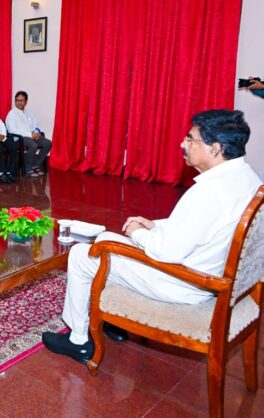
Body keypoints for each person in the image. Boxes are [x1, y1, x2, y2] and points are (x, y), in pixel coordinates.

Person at [42, 109, 263, 364]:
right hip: (207, 269)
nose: (183, 144)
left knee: (83, 254)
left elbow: (165, 252)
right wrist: (154, 225)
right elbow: (201, 227)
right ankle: (111, 320)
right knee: (104, 240)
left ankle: (78, 340)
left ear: (215, 148)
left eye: (190, 139)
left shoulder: (210, 192)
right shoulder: (247, 179)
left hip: (183, 281)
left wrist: (138, 232)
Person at [5, 91, 52, 177]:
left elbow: (36, 124)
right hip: (19, 138)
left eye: (21, 100)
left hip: (32, 136)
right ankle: (27, 169)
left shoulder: (29, 112)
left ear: (26, 102)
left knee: (48, 143)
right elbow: (12, 130)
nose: (19, 102)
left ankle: (35, 165)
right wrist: (30, 134)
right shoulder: (12, 114)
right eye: (17, 100)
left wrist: (37, 132)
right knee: (33, 145)